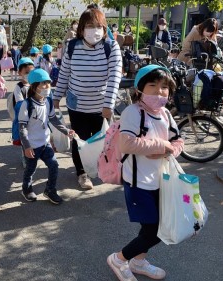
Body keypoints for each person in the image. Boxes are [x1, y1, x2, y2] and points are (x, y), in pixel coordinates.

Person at [106, 65, 184, 281]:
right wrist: (162, 146)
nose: (159, 92)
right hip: (138, 183)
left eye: (164, 87)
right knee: (154, 230)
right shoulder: (133, 112)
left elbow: (178, 140)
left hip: (161, 182)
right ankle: (119, 259)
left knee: (152, 226)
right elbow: (127, 144)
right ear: (139, 88)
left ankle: (138, 261)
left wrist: (170, 150)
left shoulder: (166, 113)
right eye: (153, 86)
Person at [53, 8, 122, 189]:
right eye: (90, 26)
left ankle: (100, 167)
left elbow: (115, 76)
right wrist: (55, 98)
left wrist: (109, 104)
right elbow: (64, 74)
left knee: (102, 140)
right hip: (77, 105)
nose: (95, 30)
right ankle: (82, 173)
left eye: (99, 26)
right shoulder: (72, 46)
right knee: (80, 140)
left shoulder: (111, 46)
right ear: (82, 28)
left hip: (102, 106)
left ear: (105, 28)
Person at [18, 68, 74, 204]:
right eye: (43, 83)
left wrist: (66, 131)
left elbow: (53, 119)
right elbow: (22, 127)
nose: (47, 86)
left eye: (48, 83)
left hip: (45, 143)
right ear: (34, 86)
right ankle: (26, 188)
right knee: (30, 170)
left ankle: (50, 190)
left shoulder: (48, 101)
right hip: (31, 145)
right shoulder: (27, 104)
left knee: (54, 165)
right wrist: (26, 146)